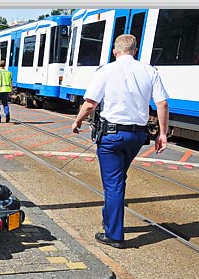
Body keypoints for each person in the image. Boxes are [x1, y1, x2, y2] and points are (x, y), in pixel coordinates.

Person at [71, 34, 169, 248]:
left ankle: (114, 235)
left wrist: (77, 121)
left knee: (113, 184)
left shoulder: (106, 70)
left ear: (115, 51)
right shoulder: (150, 71)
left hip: (111, 136)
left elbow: (90, 104)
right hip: (136, 137)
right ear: (135, 51)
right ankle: (110, 219)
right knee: (118, 178)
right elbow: (161, 104)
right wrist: (163, 133)